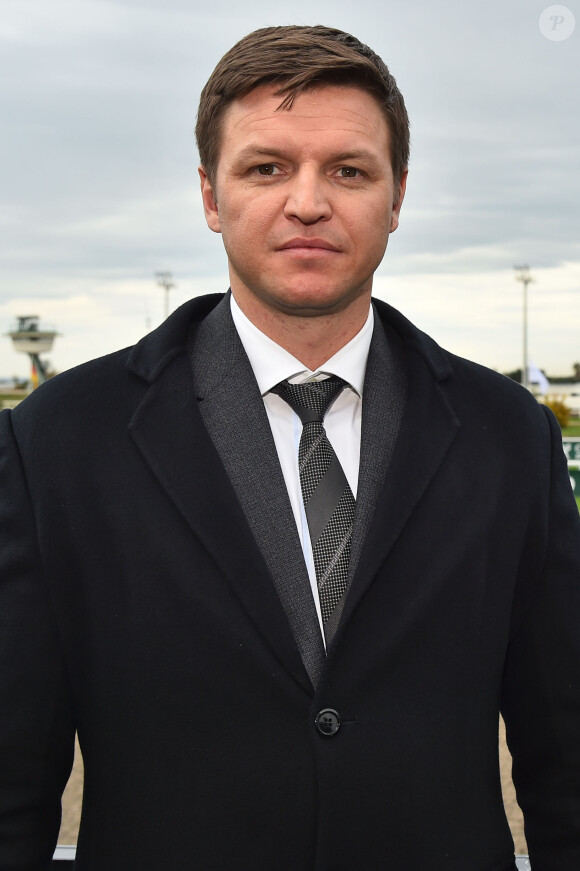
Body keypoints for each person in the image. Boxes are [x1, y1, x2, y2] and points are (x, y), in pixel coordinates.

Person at [0, 24, 579, 871]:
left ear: (397, 195)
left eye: (348, 170)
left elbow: (566, 759)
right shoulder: (57, 441)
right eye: (266, 167)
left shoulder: (508, 436)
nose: (308, 202)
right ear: (209, 195)